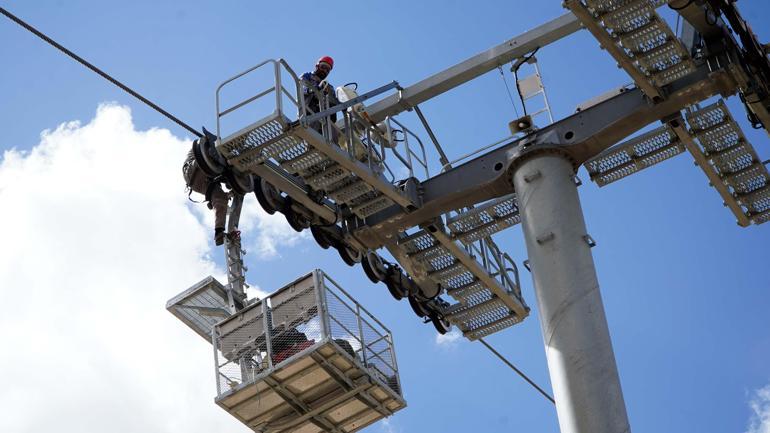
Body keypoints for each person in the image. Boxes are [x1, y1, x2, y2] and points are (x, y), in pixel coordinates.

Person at [183, 144, 228, 246]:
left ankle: (219, 231)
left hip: (200, 182)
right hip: (194, 168)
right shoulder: (204, 146)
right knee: (211, 157)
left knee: (221, 198)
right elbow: (207, 148)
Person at [301, 56, 339, 134]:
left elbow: (334, 102)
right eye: (323, 67)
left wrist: (342, 104)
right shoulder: (307, 76)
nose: (324, 71)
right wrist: (312, 89)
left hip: (325, 119)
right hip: (308, 113)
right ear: (317, 66)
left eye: (327, 70)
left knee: (333, 133)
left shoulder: (329, 87)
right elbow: (301, 87)